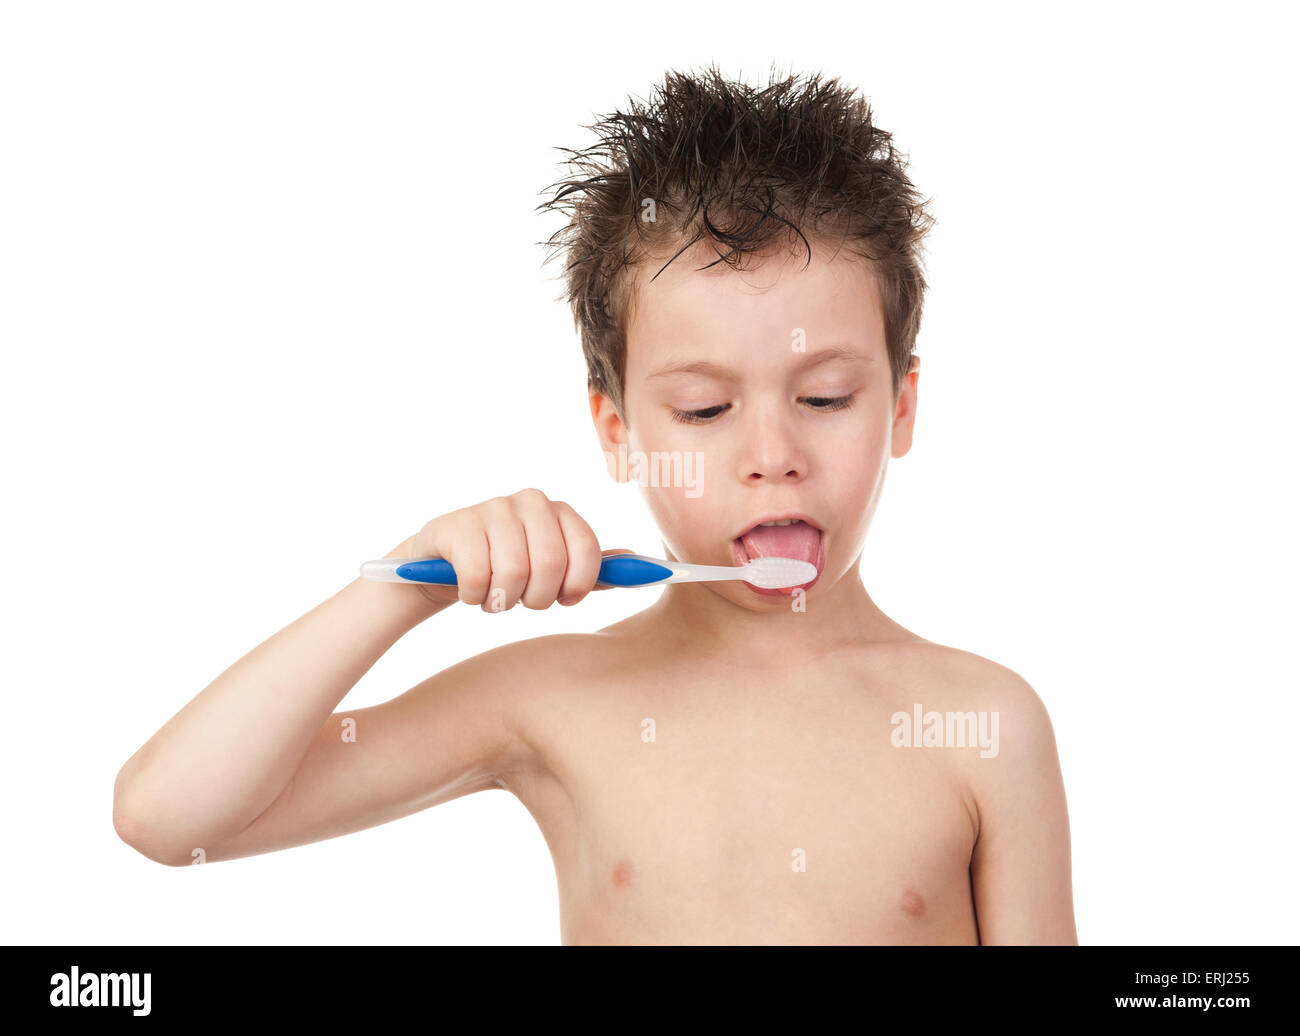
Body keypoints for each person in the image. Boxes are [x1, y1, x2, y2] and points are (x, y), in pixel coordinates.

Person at [113, 65, 1077, 945]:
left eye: (825, 398)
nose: (773, 458)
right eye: (704, 409)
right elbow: (169, 817)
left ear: (903, 407)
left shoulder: (986, 721)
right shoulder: (550, 697)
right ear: (616, 432)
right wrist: (405, 586)